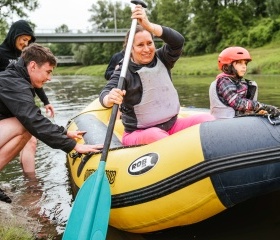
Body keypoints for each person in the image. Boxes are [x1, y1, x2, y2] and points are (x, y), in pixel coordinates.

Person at [0, 43, 103, 203]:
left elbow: (34, 118)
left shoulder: (17, 78)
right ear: (33, 66)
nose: (49, 78)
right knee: (25, 126)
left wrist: (64, 132)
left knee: (28, 130)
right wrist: (73, 145)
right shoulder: (14, 83)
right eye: (48, 72)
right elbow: (32, 120)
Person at [99, 4, 215, 146]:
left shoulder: (163, 58)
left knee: (207, 119)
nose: (147, 49)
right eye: (140, 45)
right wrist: (109, 98)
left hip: (172, 126)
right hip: (140, 132)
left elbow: (178, 41)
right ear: (131, 49)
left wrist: (149, 25)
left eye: (150, 43)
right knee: (157, 136)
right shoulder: (124, 71)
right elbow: (105, 93)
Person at [0, 20, 55, 175]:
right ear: (13, 35)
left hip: (19, 106)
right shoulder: (1, 53)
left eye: (28, 41)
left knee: (30, 140)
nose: (25, 43)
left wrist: (46, 102)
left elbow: (33, 80)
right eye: (23, 39)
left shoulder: (24, 58)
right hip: (4, 106)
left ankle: (32, 184)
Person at [209, 46, 280, 119]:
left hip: (239, 121)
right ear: (227, 66)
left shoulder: (240, 83)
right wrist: (260, 106)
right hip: (224, 122)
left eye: (245, 63)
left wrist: (265, 109)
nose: (244, 67)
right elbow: (237, 103)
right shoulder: (224, 81)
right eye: (239, 63)